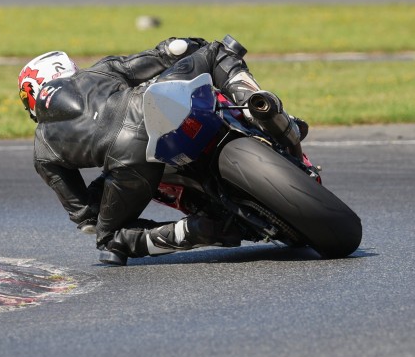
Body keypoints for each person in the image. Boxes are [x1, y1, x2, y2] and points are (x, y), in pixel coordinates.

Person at [18, 35, 306, 266]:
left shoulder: (42, 148)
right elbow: (167, 52)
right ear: (67, 70)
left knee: (109, 240)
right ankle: (268, 113)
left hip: (128, 162)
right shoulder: (97, 71)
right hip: (150, 106)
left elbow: (86, 218)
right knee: (217, 50)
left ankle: (190, 232)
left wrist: (105, 195)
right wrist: (190, 45)